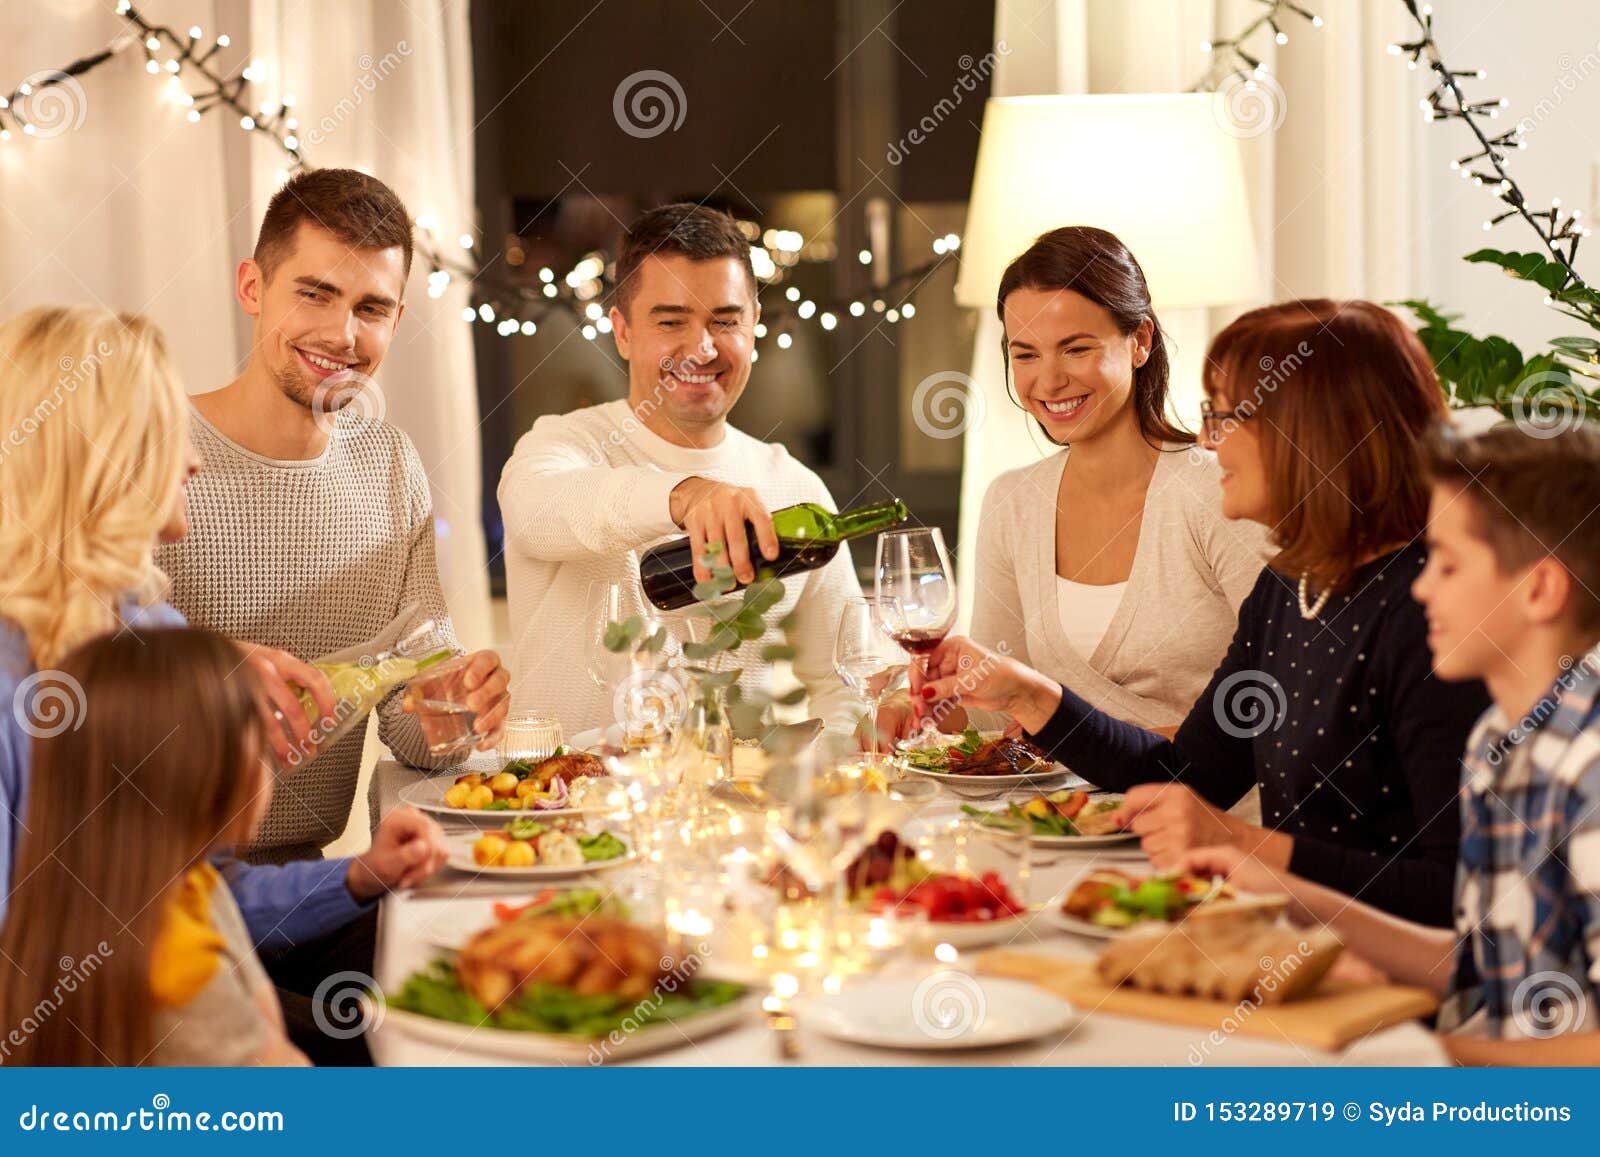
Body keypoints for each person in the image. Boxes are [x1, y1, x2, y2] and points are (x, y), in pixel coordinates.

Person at [914, 300, 1490, 925]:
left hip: (1394, 997)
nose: (1210, 439)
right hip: (1302, 951)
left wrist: (1243, 844)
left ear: (1311, 431)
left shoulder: (1433, 610)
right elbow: (1186, 773)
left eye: (1230, 416)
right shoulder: (1288, 590)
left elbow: (1458, 894)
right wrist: (1025, 694)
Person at [0, 304, 446, 1064]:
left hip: (191, 989)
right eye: (167, 431)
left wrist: (361, 875)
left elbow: (199, 893)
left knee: (429, 954)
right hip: (93, 1053)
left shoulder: (155, 628)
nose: (194, 460)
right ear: (112, 456)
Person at [1181, 421, 1600, 1064]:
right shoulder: (1500, 737)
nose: (1422, 585)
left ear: (1540, 589)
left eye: (1449, 564)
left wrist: (1425, 1057)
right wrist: (1293, 897)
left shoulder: (1590, 771)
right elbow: (1481, 965)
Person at [154, 168, 510, 865]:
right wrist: (201, 671)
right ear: (252, 287)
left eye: (371, 308)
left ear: (396, 319)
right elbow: (65, 673)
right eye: (314, 294)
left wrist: (457, 709)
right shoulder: (152, 448)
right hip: (141, 887)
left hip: (303, 877)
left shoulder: (389, 464)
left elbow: (412, 729)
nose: (342, 334)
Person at [876, 227, 1268, 742]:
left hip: (1212, 813)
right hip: (1064, 818)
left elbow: (1285, 701)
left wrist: (1089, 742)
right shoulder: (1012, 502)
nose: (1049, 380)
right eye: (1026, 354)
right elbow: (999, 712)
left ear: (1141, 342)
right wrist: (920, 703)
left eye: (1076, 349)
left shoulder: (1216, 492)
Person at [498, 202, 861, 734]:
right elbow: (542, 513)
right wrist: (685, 496)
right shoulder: (559, 446)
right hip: (564, 806)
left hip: (729, 810)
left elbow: (844, 681)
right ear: (622, 332)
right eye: (671, 321)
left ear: (754, 326)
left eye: (726, 320)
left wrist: (822, 772)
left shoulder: (796, 486)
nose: (702, 347)